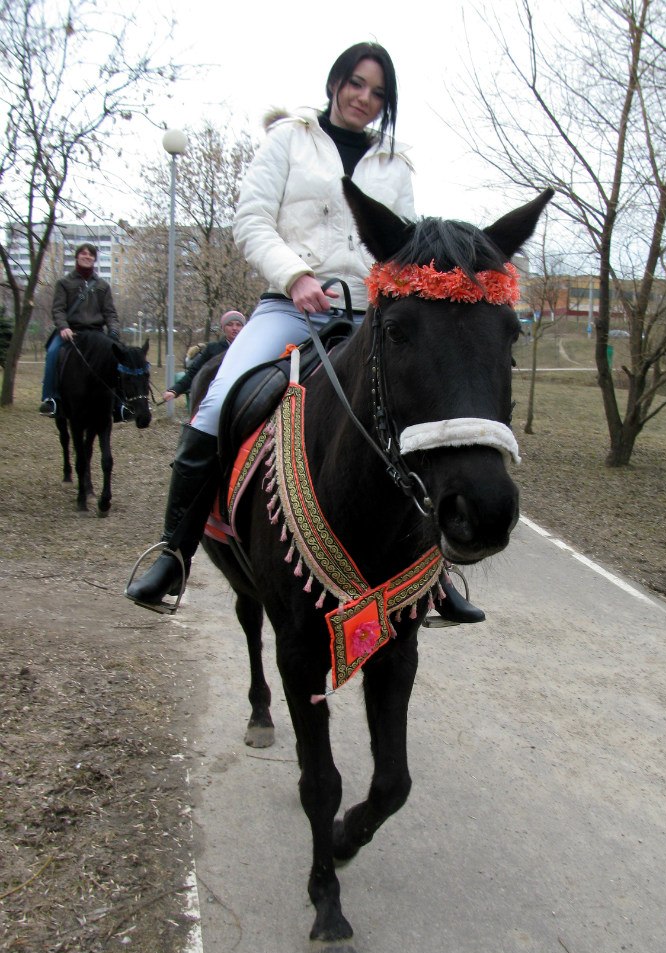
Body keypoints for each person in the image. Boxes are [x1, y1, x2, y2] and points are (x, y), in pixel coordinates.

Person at [125, 41, 484, 624]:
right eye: (356, 84)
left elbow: (405, 248)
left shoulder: (396, 164)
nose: (364, 98)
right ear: (335, 81)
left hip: (368, 315)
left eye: (378, 92)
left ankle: (436, 572)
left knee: (422, 416)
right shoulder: (288, 139)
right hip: (291, 307)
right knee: (216, 404)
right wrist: (295, 277)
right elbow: (252, 220)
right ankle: (174, 552)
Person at [39, 243, 120, 416]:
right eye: (83, 253)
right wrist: (63, 327)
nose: (87, 256)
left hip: (96, 332)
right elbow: (58, 309)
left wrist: (113, 331)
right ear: (77, 257)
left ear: (94, 259)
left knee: (119, 355)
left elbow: (110, 313)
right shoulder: (64, 283)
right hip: (71, 332)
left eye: (91, 254)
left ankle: (120, 404)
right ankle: (50, 398)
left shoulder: (102, 286)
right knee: (53, 352)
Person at [163, 311, 246, 404]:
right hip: (217, 397)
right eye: (230, 325)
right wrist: (175, 390)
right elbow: (194, 372)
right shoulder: (212, 349)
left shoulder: (252, 349)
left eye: (238, 325)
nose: (234, 328)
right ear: (223, 328)